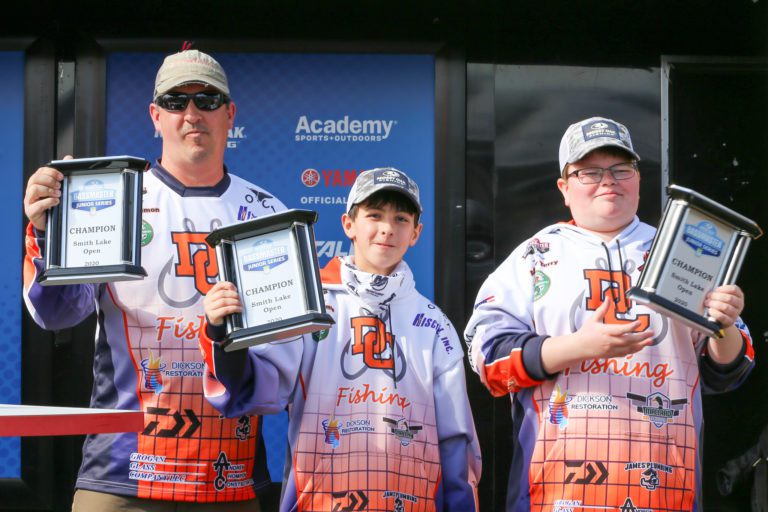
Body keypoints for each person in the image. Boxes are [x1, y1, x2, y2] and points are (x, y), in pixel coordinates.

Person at [22, 48, 299, 511]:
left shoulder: (268, 215)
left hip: (229, 477)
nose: (192, 114)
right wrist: (47, 234)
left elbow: (282, 370)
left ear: (230, 114)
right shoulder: (114, 196)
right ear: (155, 115)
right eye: (175, 101)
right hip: (122, 476)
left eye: (207, 100)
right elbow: (56, 314)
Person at [464, 116, 755, 512]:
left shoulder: (680, 252)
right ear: (564, 188)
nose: (608, 180)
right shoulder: (535, 256)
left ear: (638, 180)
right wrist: (576, 347)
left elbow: (730, 371)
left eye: (622, 169)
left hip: (667, 490)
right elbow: (488, 358)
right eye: (590, 171)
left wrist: (723, 327)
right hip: (555, 494)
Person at [201, 167, 482, 511]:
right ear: (349, 224)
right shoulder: (309, 302)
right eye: (374, 215)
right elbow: (254, 390)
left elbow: (455, 441)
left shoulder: (434, 324)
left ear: (416, 233)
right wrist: (220, 332)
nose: (387, 229)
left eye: (401, 219)